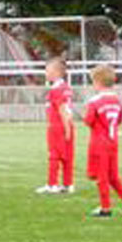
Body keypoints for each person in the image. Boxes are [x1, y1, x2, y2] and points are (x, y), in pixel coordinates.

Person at [84, 65, 122, 217]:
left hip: (99, 143)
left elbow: (89, 121)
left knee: (101, 176)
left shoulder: (95, 101)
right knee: (112, 176)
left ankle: (105, 207)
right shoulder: (116, 100)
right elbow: (119, 119)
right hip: (113, 141)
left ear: (98, 82)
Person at [35, 57, 75, 194]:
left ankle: (52, 184)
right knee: (67, 156)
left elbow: (62, 109)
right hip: (67, 125)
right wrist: (69, 127)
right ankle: (68, 184)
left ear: (57, 72)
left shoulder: (56, 90)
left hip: (57, 127)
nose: (46, 73)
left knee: (54, 155)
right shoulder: (66, 87)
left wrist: (66, 129)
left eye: (48, 70)